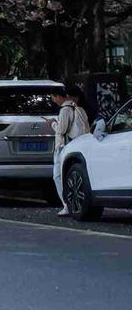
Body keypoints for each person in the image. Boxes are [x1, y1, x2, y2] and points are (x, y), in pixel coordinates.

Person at [52, 84, 91, 215]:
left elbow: (61, 130)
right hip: (80, 146)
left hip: (64, 146)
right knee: (73, 176)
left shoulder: (64, 110)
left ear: (59, 96)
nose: (53, 100)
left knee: (58, 176)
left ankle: (66, 205)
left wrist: (52, 123)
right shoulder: (80, 109)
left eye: (53, 97)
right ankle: (73, 203)